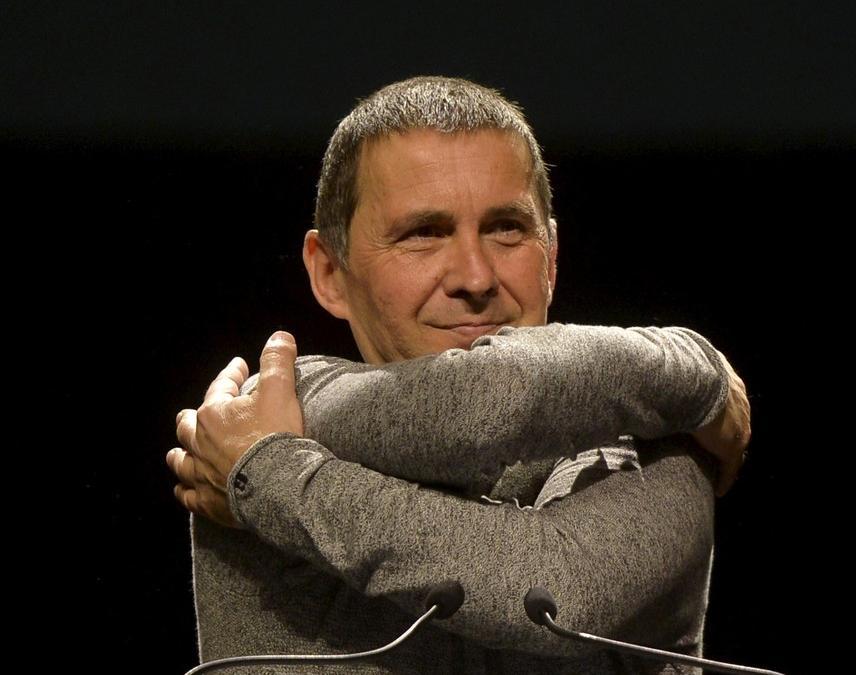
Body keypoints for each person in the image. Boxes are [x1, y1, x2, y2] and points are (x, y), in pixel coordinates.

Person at [167, 76, 751, 673]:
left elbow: (551, 590)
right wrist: (695, 373)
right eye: (424, 233)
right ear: (329, 274)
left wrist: (270, 475)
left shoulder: (661, 452)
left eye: (507, 229)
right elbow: (486, 403)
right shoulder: (276, 402)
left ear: (551, 259)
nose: (474, 277)